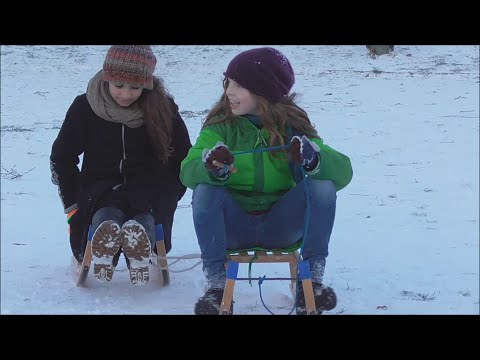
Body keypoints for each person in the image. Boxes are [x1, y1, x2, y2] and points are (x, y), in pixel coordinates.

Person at [180, 47, 353, 314]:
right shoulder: (222, 125)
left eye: (239, 85)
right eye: (228, 82)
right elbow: (187, 170)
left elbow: (343, 172)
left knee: (323, 185)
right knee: (205, 190)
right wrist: (212, 168)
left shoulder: (292, 125)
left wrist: (314, 159)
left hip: (281, 225)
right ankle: (216, 285)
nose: (229, 91)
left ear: (264, 92)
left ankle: (311, 282)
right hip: (233, 227)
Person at [50, 45, 191, 285]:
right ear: (107, 78)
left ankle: (141, 248)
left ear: (146, 85)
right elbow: (62, 156)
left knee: (145, 212)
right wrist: (72, 203)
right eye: (118, 85)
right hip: (100, 185)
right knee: (105, 209)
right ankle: (107, 241)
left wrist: (171, 193)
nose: (126, 94)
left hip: (150, 186)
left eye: (135, 87)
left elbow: (182, 156)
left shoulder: (162, 108)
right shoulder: (85, 107)